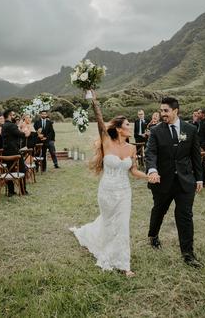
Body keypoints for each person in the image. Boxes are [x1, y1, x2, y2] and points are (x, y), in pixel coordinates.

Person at [70, 89, 150, 277]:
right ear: (120, 128)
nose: (131, 126)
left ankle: (124, 264)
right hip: (107, 191)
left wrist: (148, 176)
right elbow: (100, 121)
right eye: (128, 124)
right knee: (108, 222)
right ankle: (94, 238)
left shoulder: (132, 148)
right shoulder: (107, 142)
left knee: (122, 225)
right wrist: (94, 102)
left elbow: (134, 171)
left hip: (124, 192)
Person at [145, 97, 203, 268]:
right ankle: (153, 235)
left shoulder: (190, 129)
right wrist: (152, 170)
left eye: (166, 111)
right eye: (161, 110)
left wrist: (199, 178)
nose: (162, 114)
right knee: (159, 210)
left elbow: (196, 156)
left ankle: (188, 254)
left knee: (185, 216)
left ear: (175, 111)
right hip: (162, 180)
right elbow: (150, 153)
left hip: (185, 181)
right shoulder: (156, 131)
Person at [1, 109, 30, 196]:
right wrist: (24, 131)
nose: (15, 117)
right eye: (13, 115)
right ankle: (23, 190)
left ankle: (11, 191)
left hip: (6, 152)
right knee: (22, 169)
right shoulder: (12, 126)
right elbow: (21, 135)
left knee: (10, 171)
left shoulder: (4, 125)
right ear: (9, 116)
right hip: (14, 152)